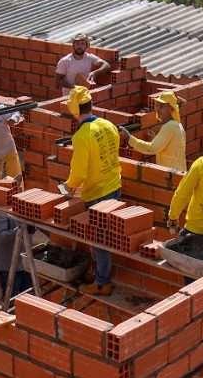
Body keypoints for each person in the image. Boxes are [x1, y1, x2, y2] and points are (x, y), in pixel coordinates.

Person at [62, 86, 122, 296]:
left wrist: (68, 186)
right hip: (115, 187)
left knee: (99, 240)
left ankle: (101, 283)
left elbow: (78, 172)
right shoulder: (108, 124)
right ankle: (98, 273)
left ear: (74, 109)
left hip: (97, 194)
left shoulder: (81, 136)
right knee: (104, 237)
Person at [120, 92, 187, 173]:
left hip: (172, 176)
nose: (157, 110)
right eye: (157, 106)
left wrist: (129, 138)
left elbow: (152, 149)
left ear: (171, 109)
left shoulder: (169, 127)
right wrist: (156, 139)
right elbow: (170, 148)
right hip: (178, 174)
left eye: (161, 106)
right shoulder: (177, 125)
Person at [0, 214, 34, 300]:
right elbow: (2, 236)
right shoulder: (1, 214)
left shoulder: (26, 210)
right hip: (9, 268)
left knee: (29, 301)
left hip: (26, 265)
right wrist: (21, 229)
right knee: (11, 303)